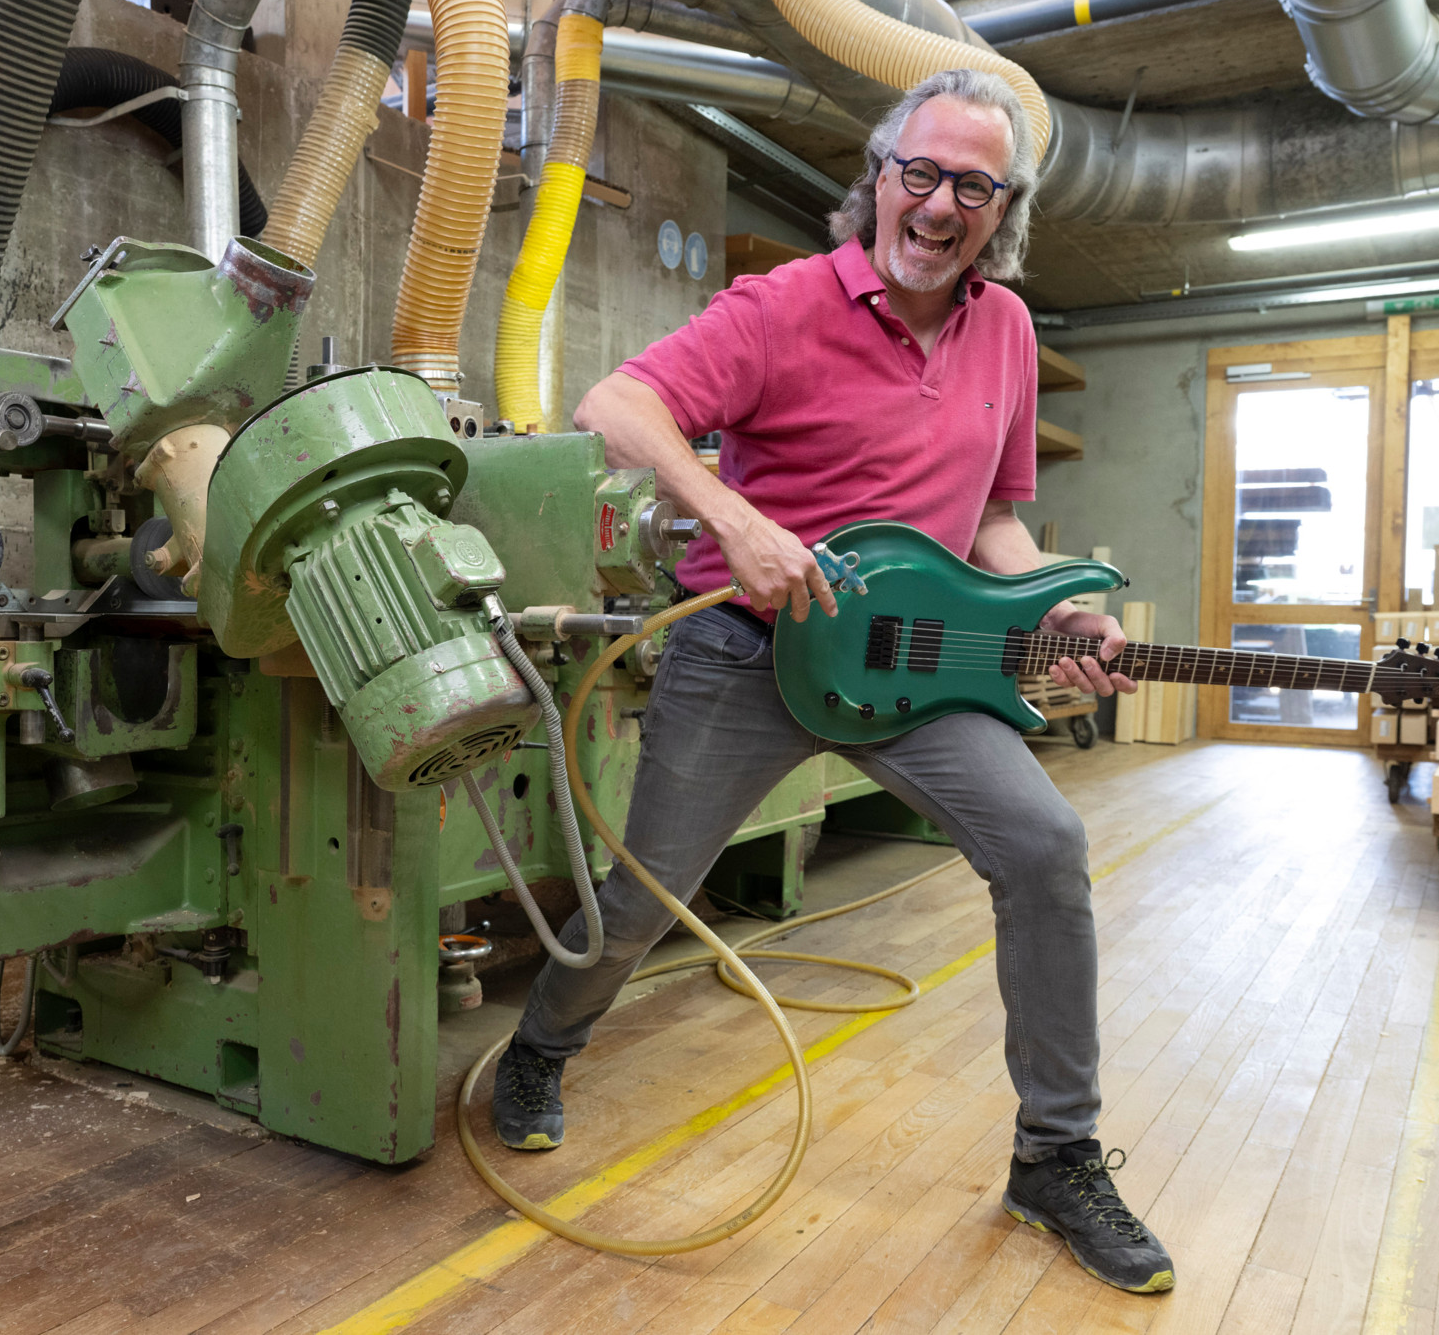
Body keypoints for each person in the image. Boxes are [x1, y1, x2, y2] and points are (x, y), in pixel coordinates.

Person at [491, 68, 1175, 1295]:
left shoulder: (1007, 330)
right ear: (876, 177)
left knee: (1042, 847)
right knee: (641, 902)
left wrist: (1060, 606)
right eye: (920, 173)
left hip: (911, 671)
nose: (939, 204)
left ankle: (1054, 1156)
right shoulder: (780, 306)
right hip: (743, 657)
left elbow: (1000, 521)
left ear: (999, 209)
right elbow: (616, 405)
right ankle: (541, 1046)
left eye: (974, 185)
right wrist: (729, 516)